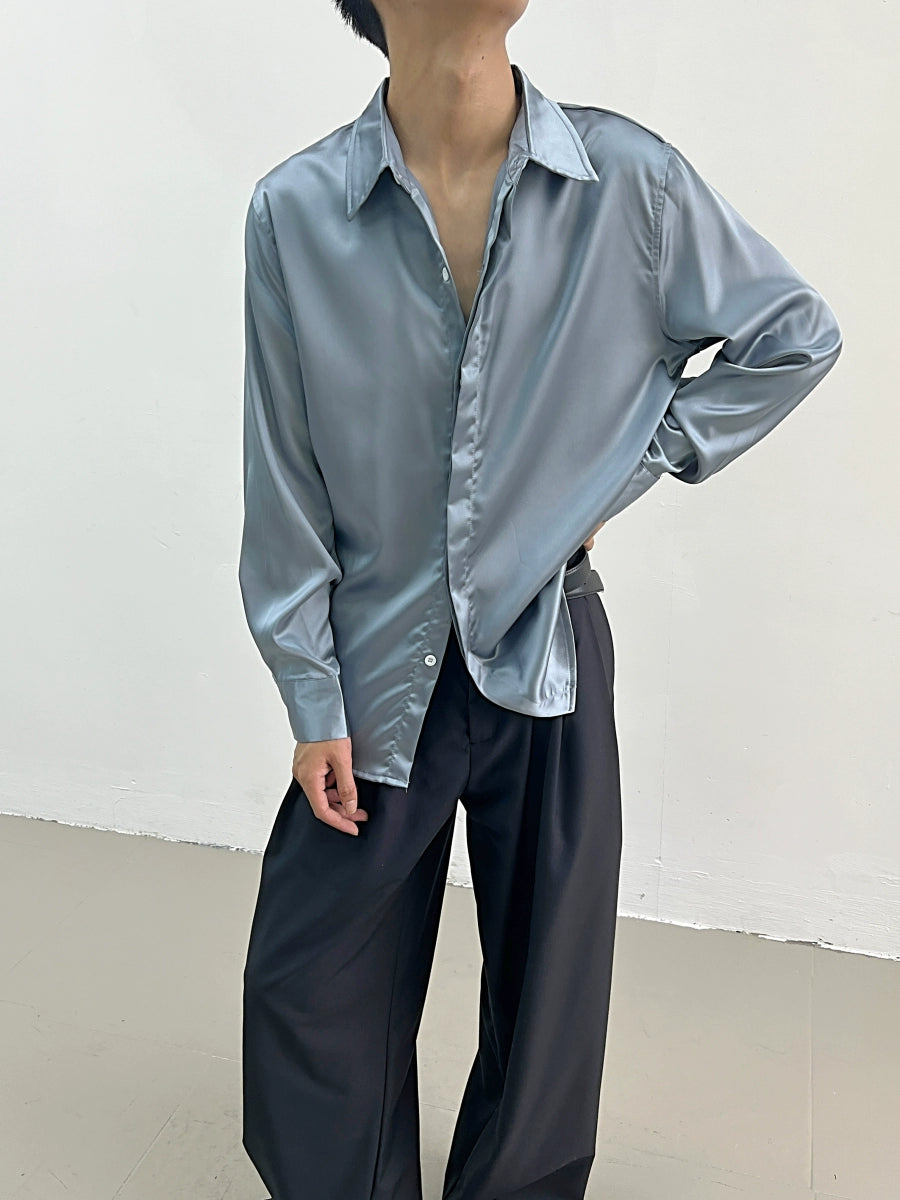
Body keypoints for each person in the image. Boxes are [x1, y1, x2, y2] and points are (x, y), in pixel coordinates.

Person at [237, 2, 843, 1197]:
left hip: (550, 642)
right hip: (376, 665)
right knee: (308, 980)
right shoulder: (295, 212)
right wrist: (310, 695)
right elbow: (284, 473)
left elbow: (794, 335)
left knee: (549, 990)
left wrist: (627, 466)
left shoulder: (630, 183)